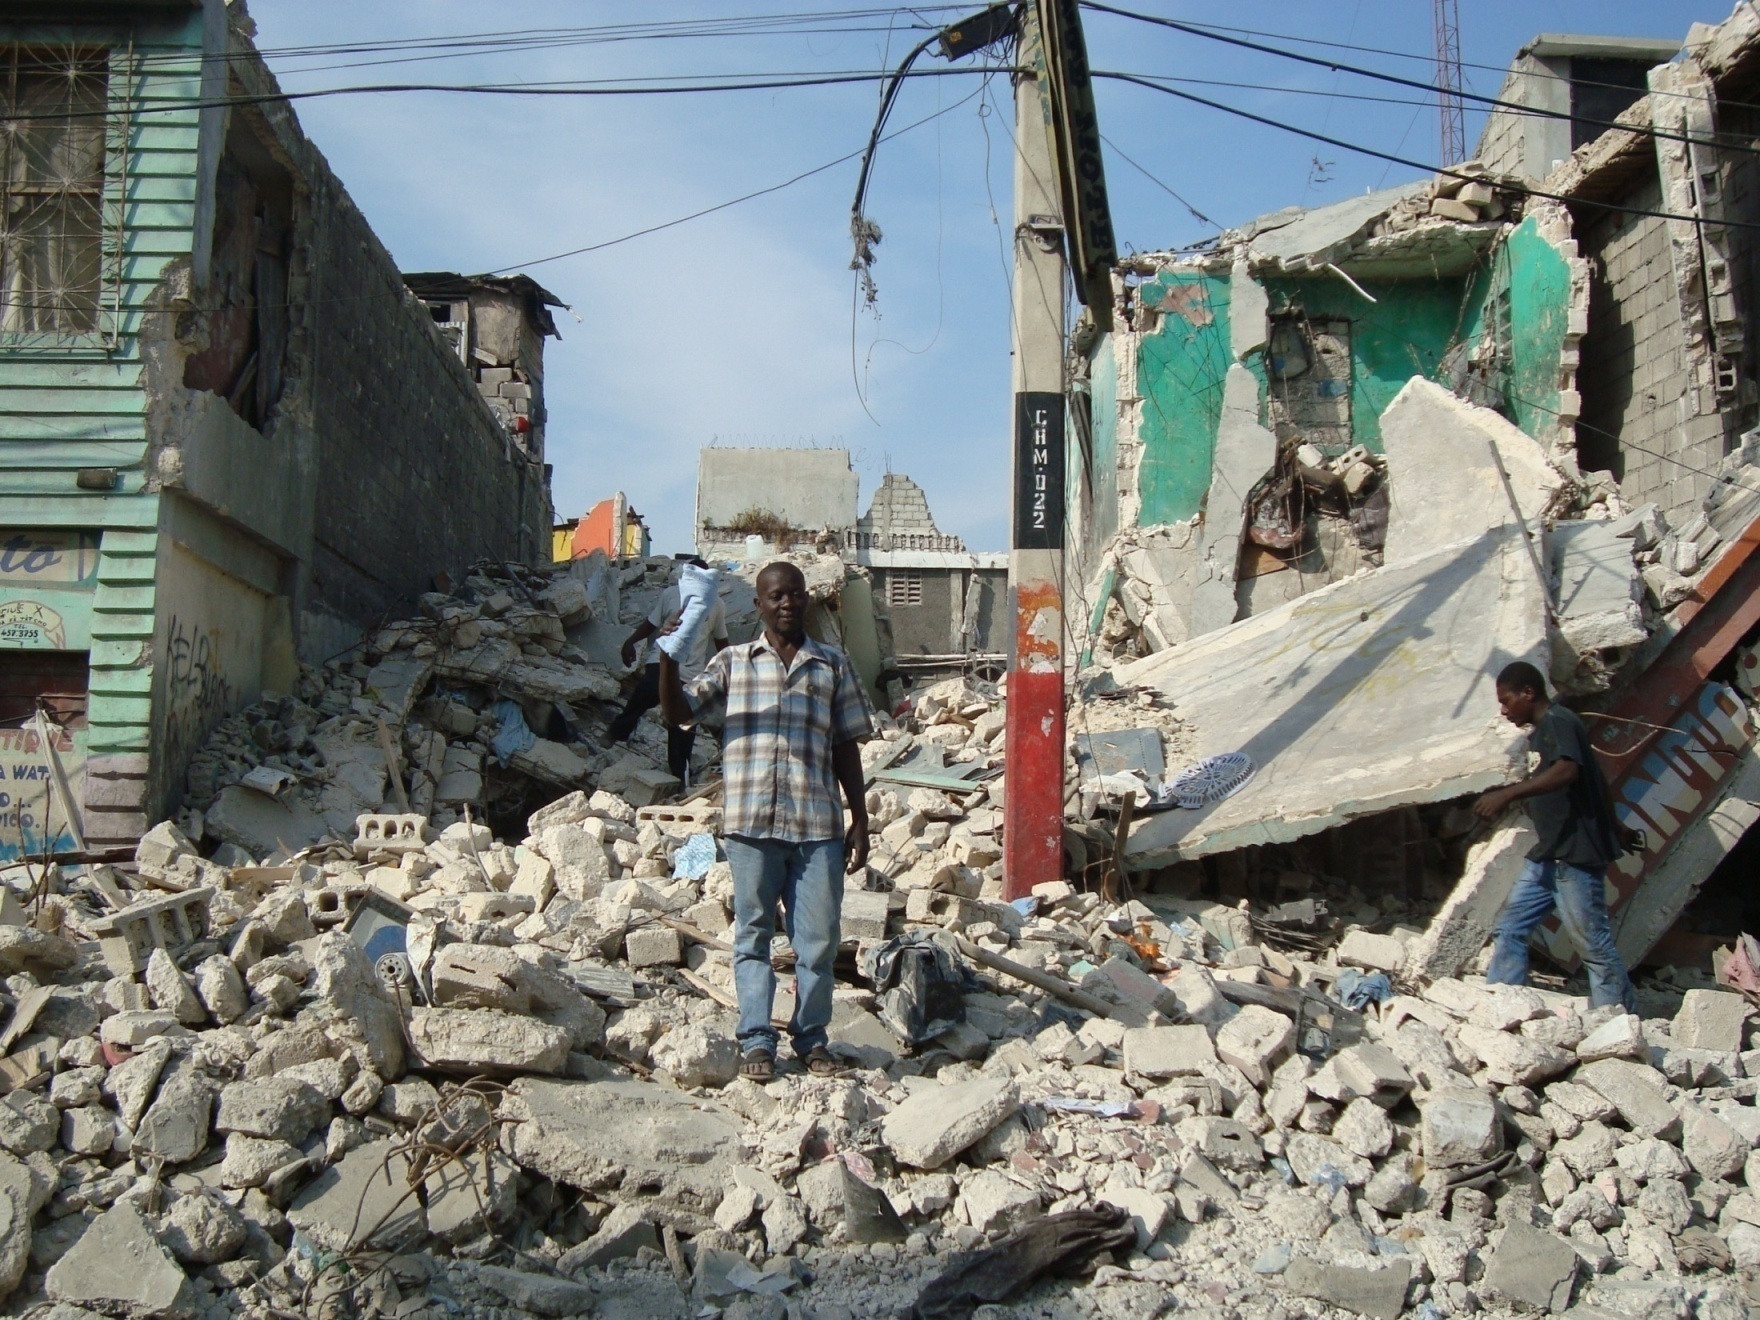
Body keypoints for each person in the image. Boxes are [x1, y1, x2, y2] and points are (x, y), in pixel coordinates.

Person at [658, 561, 872, 1079]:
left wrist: (860, 818)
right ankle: (756, 1040)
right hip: (751, 826)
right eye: (775, 596)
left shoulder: (832, 665)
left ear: (804, 600)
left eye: (794, 594)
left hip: (817, 825)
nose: (786, 603)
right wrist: (665, 658)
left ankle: (811, 1039)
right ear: (758, 605)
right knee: (753, 936)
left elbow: (845, 747)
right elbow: (677, 712)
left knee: (818, 941)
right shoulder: (732, 664)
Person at [1472, 660, 1638, 1011]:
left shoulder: (1559, 722)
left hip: (1574, 856)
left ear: (1528, 693)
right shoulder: (1546, 731)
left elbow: (1569, 771)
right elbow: (1596, 778)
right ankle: (1503, 1006)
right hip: (1549, 854)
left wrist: (1508, 794)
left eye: (1506, 701)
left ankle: (1618, 1022)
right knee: (1509, 927)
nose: (1503, 711)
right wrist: (1616, 826)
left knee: (1592, 944)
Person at [607, 556, 729, 785]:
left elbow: (721, 641)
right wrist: (630, 641)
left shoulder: (717, 604)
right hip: (661, 664)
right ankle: (613, 739)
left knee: (683, 727)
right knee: (638, 701)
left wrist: (733, 669)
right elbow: (651, 623)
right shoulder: (670, 594)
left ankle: (678, 776)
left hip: (691, 676)